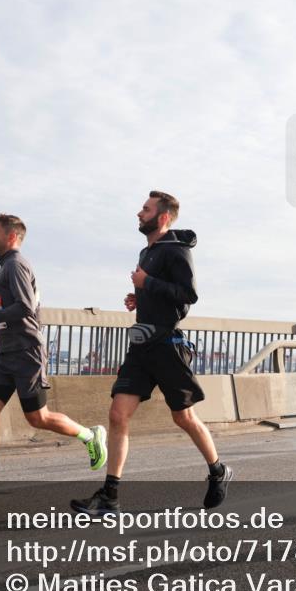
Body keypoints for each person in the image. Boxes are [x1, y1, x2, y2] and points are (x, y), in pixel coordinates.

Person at [71, 191, 231, 515]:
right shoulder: (147, 252)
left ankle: (218, 470)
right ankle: (110, 497)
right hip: (141, 345)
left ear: (162, 217)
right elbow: (157, 291)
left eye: (145, 209)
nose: (138, 213)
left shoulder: (176, 251)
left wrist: (148, 282)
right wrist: (138, 296)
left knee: (182, 416)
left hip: (167, 345)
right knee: (118, 414)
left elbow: (188, 296)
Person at [0, 213, 107, 500]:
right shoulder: (6, 267)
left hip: (26, 353)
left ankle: (90, 435)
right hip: (6, 353)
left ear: (11, 237)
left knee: (37, 418)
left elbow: (26, 307)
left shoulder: (16, 265)